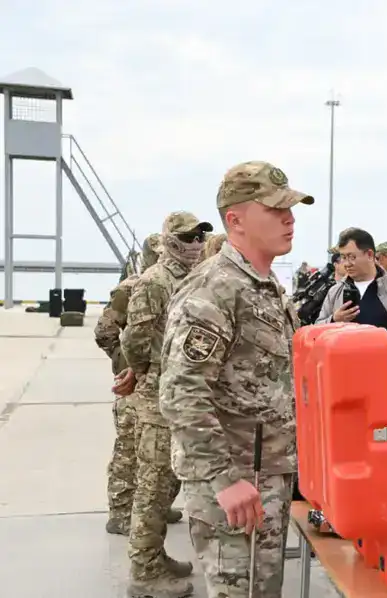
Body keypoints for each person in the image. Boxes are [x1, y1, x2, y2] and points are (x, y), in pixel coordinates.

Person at [159, 160, 311, 597]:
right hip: (235, 483)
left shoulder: (263, 285)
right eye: (277, 209)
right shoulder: (215, 289)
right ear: (236, 220)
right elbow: (181, 392)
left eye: (291, 208)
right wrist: (224, 479)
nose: (290, 218)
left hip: (266, 478)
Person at [122, 212, 212, 597]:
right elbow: (135, 338)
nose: (194, 242)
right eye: (187, 236)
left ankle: (155, 556)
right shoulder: (155, 281)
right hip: (157, 399)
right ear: (169, 240)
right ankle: (143, 573)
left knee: (169, 484)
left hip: (178, 395)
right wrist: (143, 371)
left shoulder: (193, 276)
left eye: (198, 236)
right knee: (153, 487)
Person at [94, 234, 183, 536]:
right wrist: (128, 365)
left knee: (154, 457)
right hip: (134, 386)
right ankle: (119, 513)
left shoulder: (173, 283)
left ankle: (158, 506)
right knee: (128, 453)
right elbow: (104, 331)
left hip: (155, 383)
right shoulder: (132, 287)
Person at [316, 227, 387, 406]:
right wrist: (334, 320)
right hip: (346, 387)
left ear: (369, 254)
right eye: (343, 257)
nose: (347, 263)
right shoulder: (334, 293)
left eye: (352, 257)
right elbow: (317, 331)